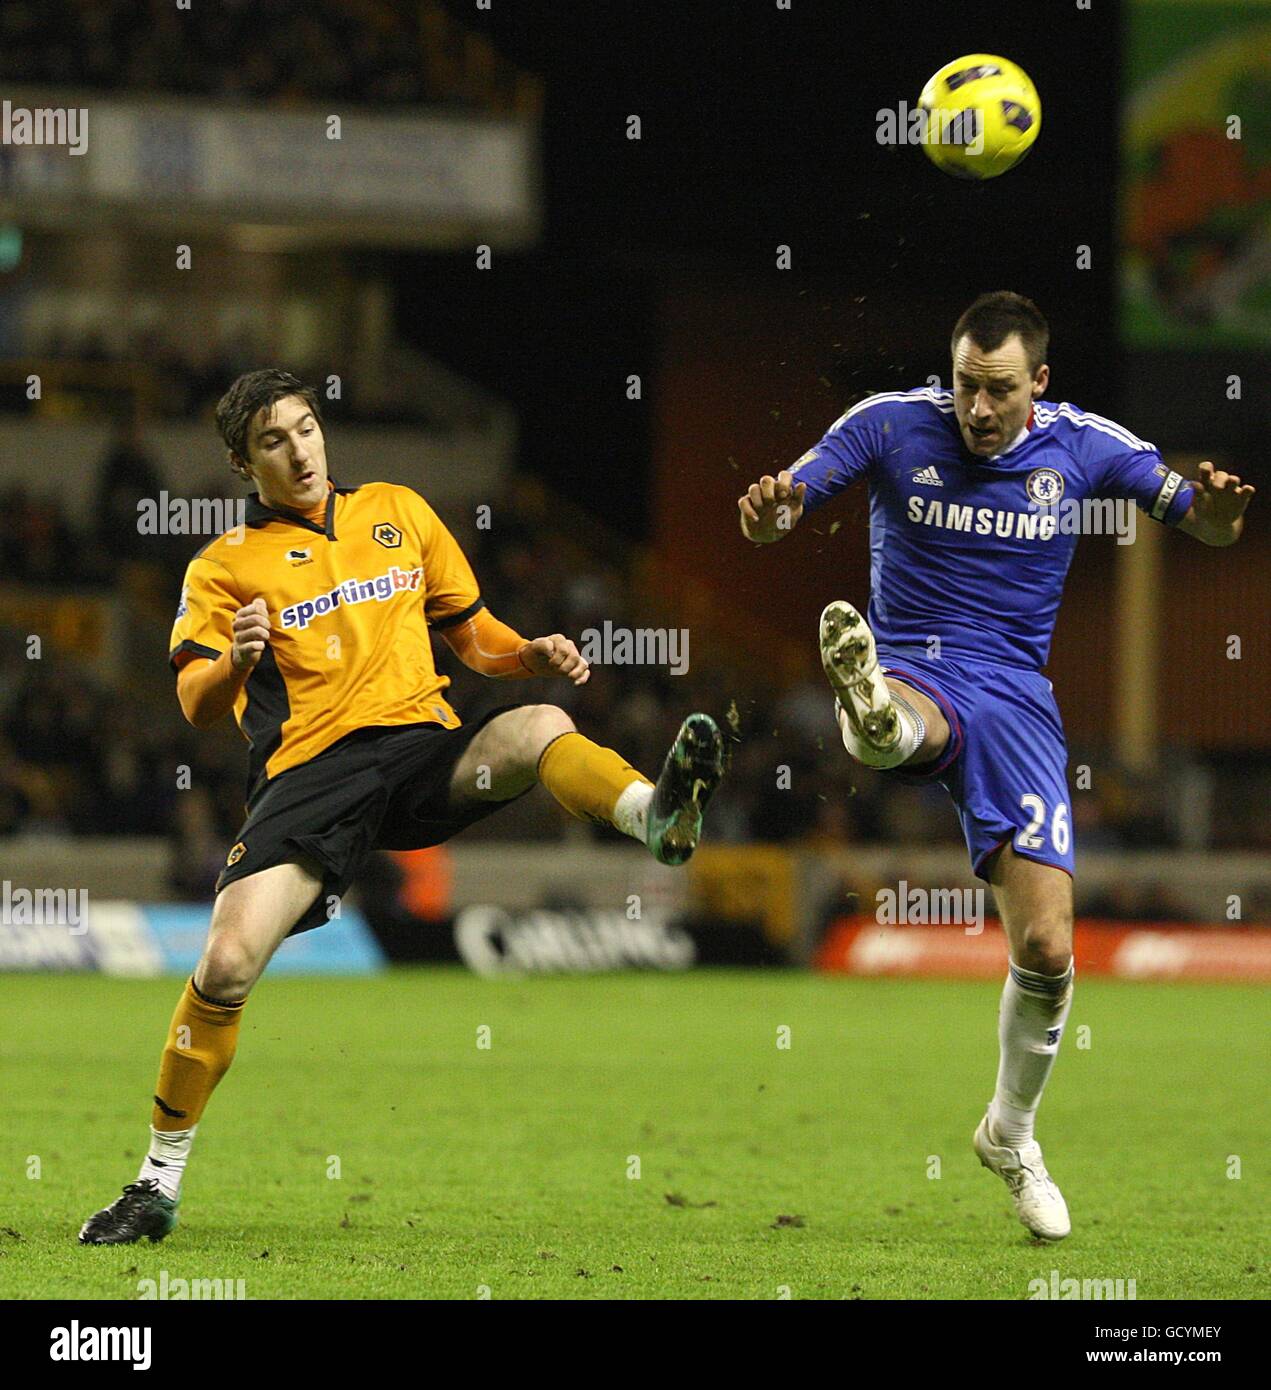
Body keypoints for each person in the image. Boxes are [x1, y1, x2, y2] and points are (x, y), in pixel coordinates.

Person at [79, 369, 725, 1245]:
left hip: (421, 745)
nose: (299, 450)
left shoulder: (399, 511)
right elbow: (195, 698)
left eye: (305, 428)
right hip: (311, 777)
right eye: (274, 440)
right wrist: (235, 657)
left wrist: (527, 651)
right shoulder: (223, 566)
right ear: (243, 462)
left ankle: (654, 814)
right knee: (226, 964)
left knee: (539, 722)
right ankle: (154, 1187)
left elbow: (474, 637)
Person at [737, 291, 1253, 1241]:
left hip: (1014, 695)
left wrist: (1218, 514)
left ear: (1038, 383)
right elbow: (782, 509)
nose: (977, 408)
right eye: (966, 386)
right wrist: (769, 517)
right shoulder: (891, 425)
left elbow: (1203, 524)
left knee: (1050, 950)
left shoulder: (1084, 444)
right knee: (902, 723)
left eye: (999, 391)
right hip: (916, 663)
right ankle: (874, 715)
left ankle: (1008, 1135)